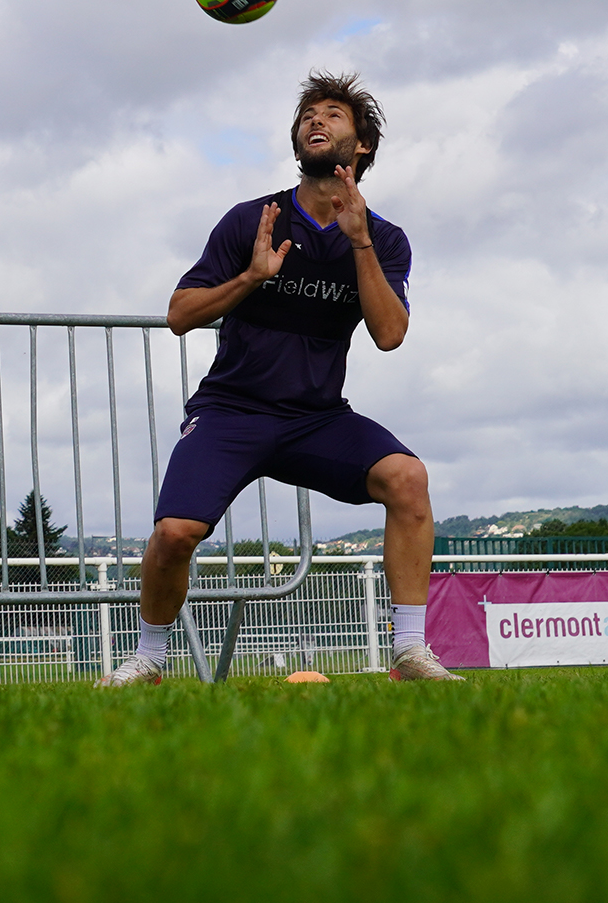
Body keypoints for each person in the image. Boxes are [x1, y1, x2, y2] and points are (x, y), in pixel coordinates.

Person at [97, 70, 463, 686]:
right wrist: (249, 279)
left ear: (362, 146)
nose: (316, 122)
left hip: (316, 418)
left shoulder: (385, 238)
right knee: (175, 533)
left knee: (408, 478)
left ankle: (408, 654)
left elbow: (391, 334)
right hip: (231, 410)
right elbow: (179, 316)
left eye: (333, 115)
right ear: (297, 141)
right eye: (308, 116)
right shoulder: (251, 220)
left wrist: (360, 244)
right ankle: (149, 659)